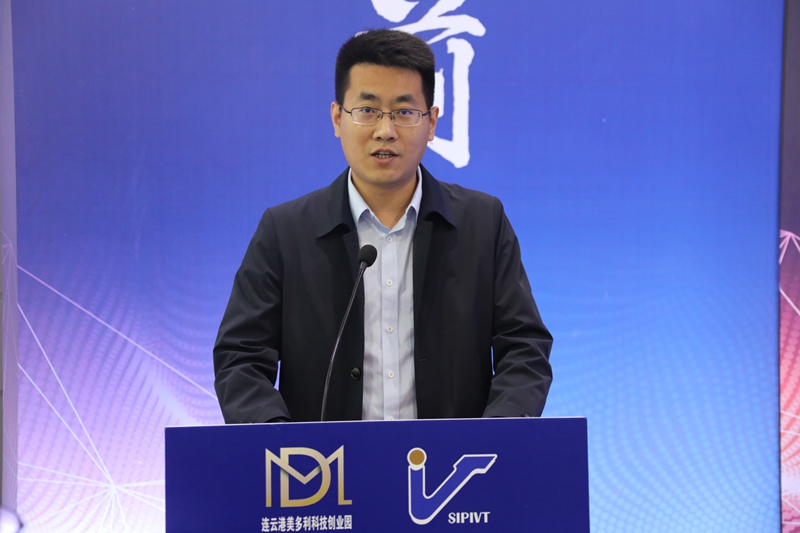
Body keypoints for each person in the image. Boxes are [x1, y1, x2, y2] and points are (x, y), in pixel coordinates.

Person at [213, 29, 552, 423]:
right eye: (367, 110)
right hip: (328, 461)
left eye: (404, 112)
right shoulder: (285, 232)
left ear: (431, 123)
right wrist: (285, 443)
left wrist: (497, 435)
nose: (385, 130)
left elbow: (524, 347)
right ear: (338, 118)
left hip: (450, 459)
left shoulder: (482, 223)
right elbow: (240, 358)